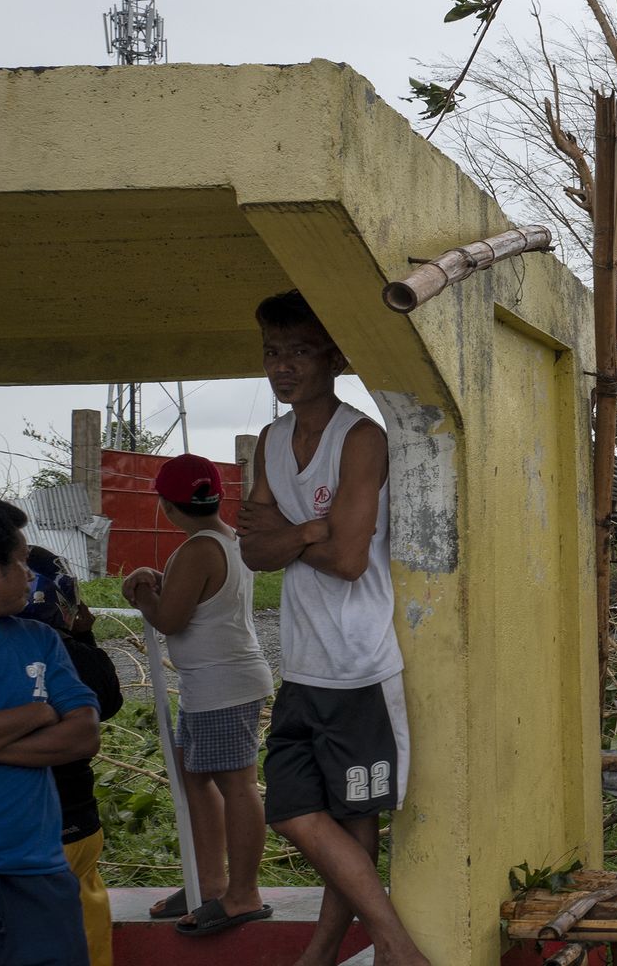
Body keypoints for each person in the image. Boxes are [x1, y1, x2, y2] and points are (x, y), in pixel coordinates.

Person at [238, 289, 428, 966]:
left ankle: (324, 950)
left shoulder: (361, 436)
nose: (281, 367)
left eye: (297, 351)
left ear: (334, 356)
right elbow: (253, 550)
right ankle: (397, 945)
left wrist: (294, 535)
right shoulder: (271, 440)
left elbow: (349, 560)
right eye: (271, 353)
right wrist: (307, 530)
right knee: (290, 809)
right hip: (301, 663)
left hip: (357, 663)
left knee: (355, 817)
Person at [0, 494, 101, 966]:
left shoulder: (41, 639)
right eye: (19, 562)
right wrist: (37, 714)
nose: (30, 576)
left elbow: (83, 737)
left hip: (38, 872)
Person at [123, 454, 275, 936]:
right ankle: (208, 883)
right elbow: (196, 601)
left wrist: (137, 590)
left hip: (222, 684)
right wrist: (156, 583)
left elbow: (169, 618)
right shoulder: (225, 541)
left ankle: (243, 894)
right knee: (197, 780)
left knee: (237, 784)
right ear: (217, 496)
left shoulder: (198, 549)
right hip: (211, 683)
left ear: (167, 505)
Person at [25, 546, 125, 966]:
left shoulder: (5, 655)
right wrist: (85, 637)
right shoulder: (76, 655)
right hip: (81, 824)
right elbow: (110, 698)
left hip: (29, 831)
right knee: (85, 916)